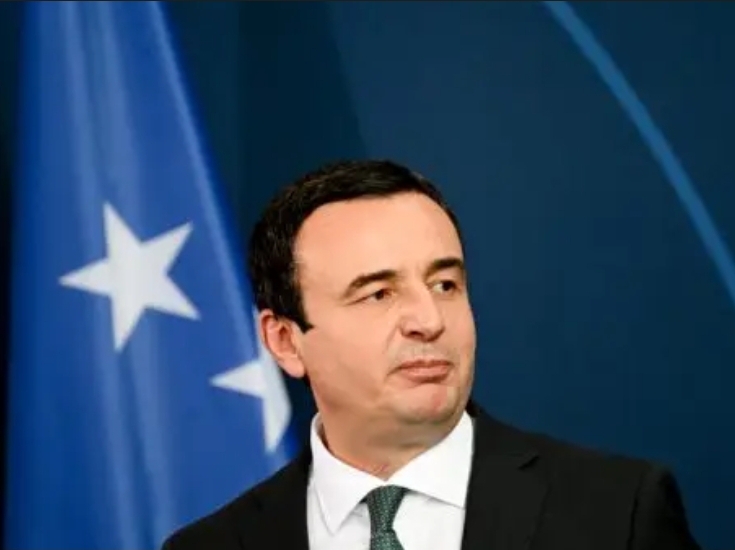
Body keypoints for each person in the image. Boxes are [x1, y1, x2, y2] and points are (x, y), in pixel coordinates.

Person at [162, 160, 701, 550]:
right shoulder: (212, 546)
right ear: (284, 340)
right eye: (378, 294)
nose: (429, 320)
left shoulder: (618, 514)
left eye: (445, 285)